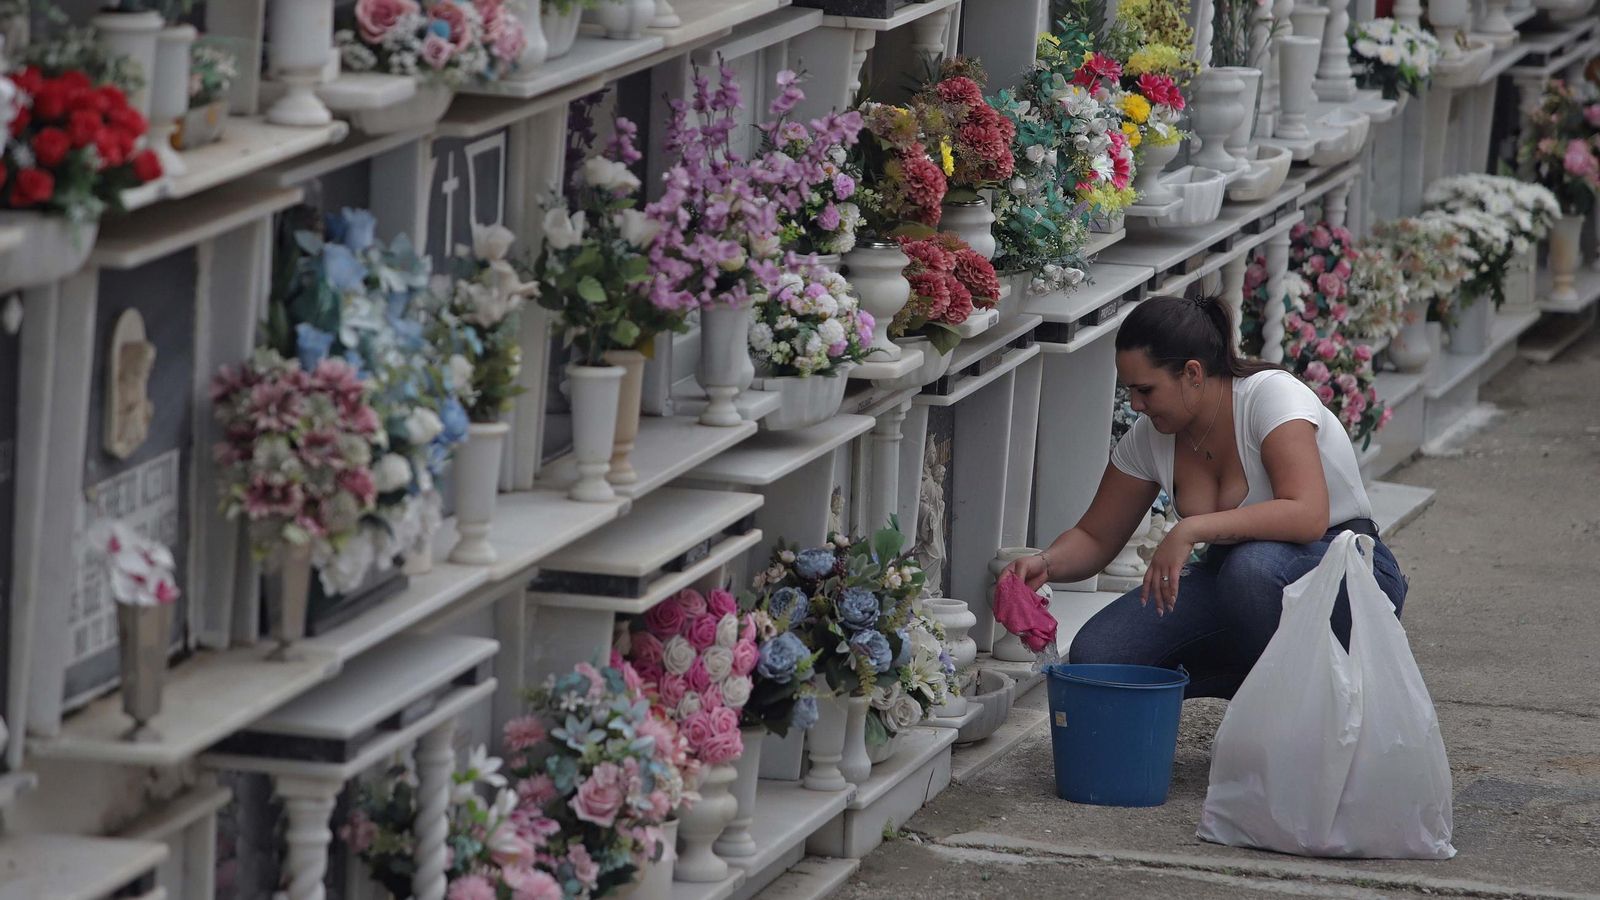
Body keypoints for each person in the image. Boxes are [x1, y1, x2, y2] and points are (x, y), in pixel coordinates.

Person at [1004, 295, 1408, 699]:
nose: (1135, 405)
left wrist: (1189, 530)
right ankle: (1260, 689)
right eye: (1129, 390)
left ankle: (1310, 707)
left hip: (1349, 570)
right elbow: (1095, 537)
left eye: (1146, 389)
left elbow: (1308, 515)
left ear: (1192, 373)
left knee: (1251, 570)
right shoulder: (1150, 438)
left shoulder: (1271, 397)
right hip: (1239, 585)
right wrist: (1044, 564)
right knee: (1100, 655)